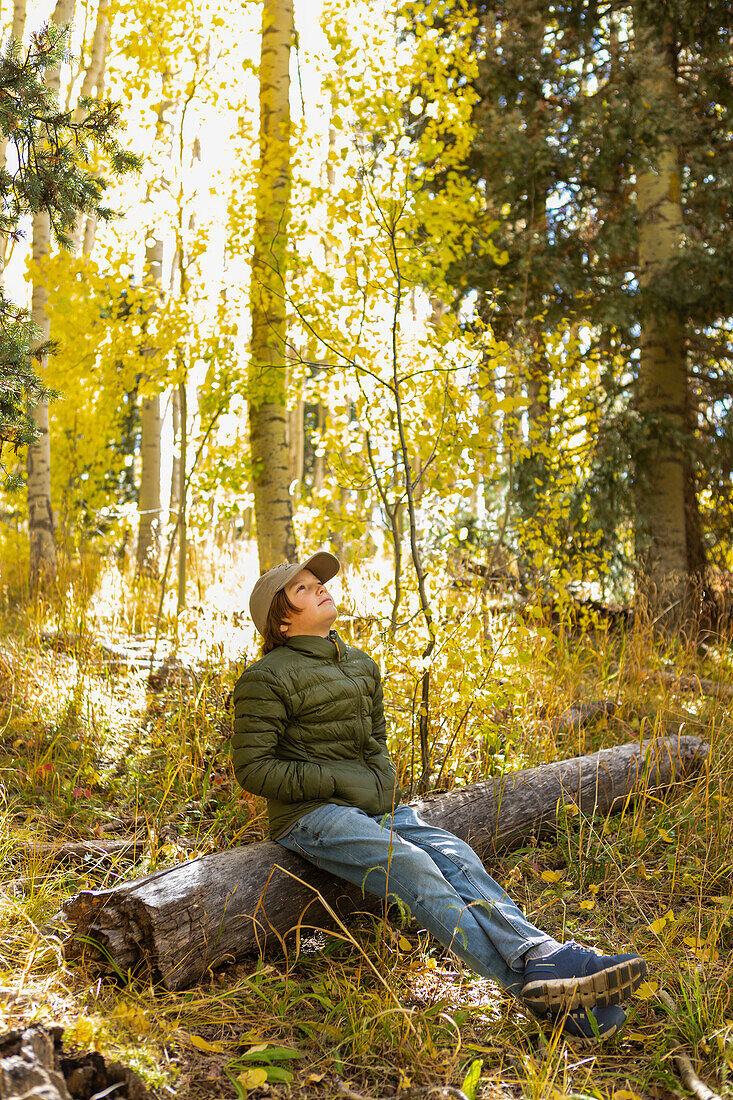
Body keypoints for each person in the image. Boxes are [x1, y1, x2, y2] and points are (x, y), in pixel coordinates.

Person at [231, 551, 647, 1043]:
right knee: (411, 865)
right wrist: (340, 782)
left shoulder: (359, 664)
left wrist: (377, 780)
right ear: (281, 620)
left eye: (317, 582)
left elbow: (375, 740)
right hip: (310, 817)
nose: (320, 587)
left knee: (455, 854)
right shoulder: (266, 677)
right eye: (302, 589)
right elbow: (254, 769)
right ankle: (539, 987)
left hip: (375, 806)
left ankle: (542, 957)